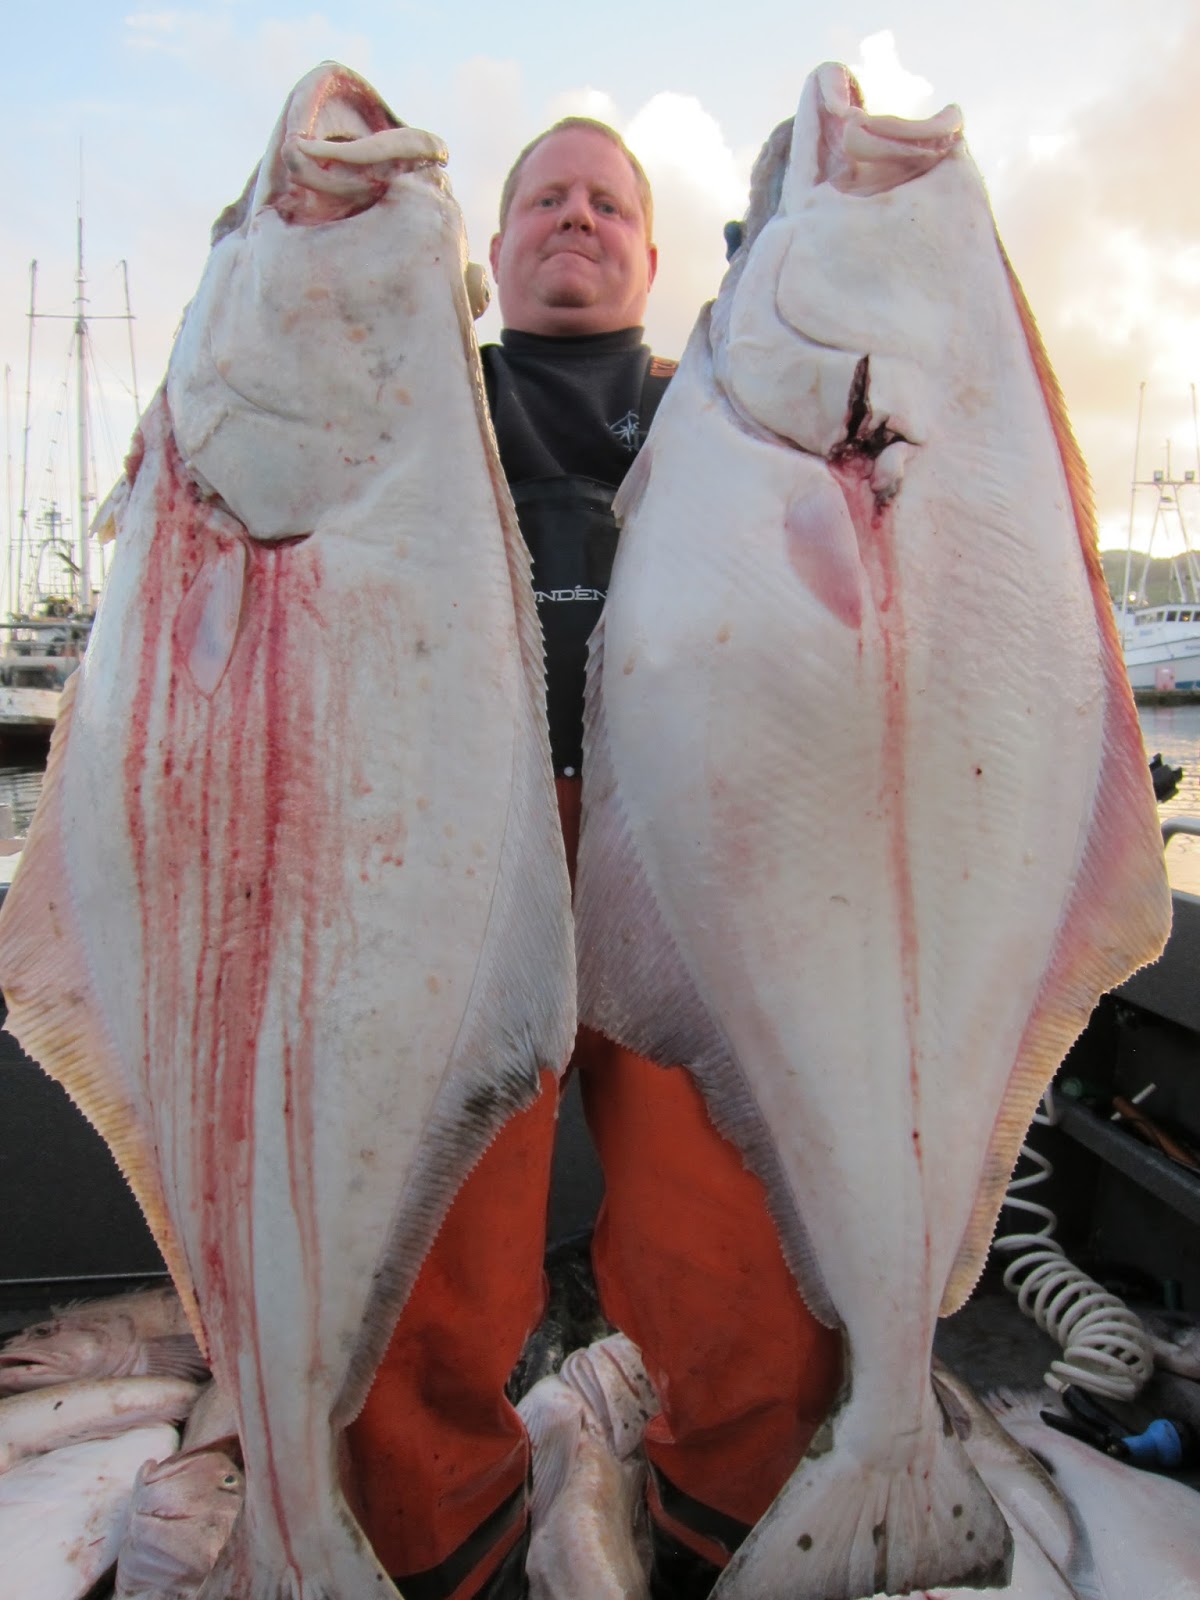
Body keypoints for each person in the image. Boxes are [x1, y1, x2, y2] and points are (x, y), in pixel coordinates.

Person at [347, 118, 841, 1600]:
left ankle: (721, 1533)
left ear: (651, 254)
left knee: (742, 1224)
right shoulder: (407, 413)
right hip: (455, 842)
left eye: (608, 203)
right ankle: (443, 1547)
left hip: (689, 845)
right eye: (545, 201)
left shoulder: (731, 418)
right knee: (427, 1233)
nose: (577, 218)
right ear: (491, 258)